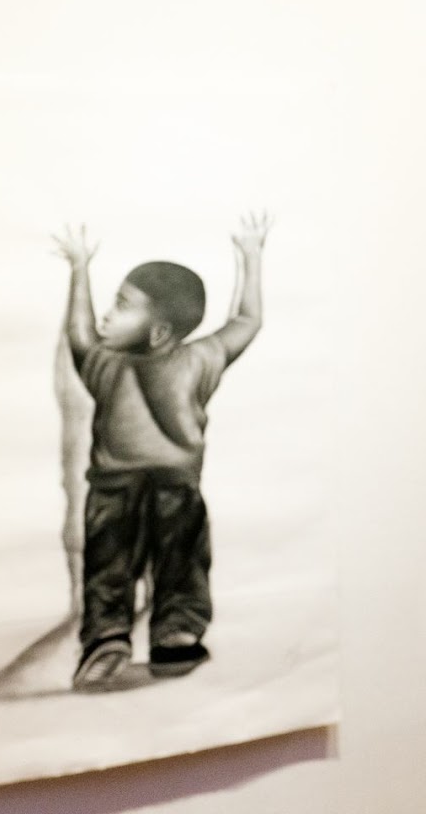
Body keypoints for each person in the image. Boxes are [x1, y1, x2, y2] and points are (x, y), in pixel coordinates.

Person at [54, 213, 270, 690]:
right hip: (174, 483)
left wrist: (79, 269)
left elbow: (79, 332)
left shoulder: (103, 365)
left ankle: (110, 634)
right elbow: (248, 321)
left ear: (158, 332)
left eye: (122, 305)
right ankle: (173, 635)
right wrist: (251, 255)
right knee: (180, 564)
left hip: (114, 487)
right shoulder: (199, 360)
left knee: (110, 566)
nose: (108, 314)